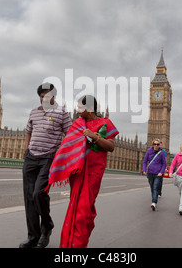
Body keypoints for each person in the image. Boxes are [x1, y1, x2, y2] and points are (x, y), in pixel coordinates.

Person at [47, 95, 119, 248]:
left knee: (85, 209)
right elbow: (67, 146)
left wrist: (95, 137)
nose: (77, 110)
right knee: (76, 207)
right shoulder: (77, 124)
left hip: (94, 170)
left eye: (80, 107)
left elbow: (111, 147)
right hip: (78, 171)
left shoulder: (105, 123)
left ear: (90, 108)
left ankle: (78, 245)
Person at [19, 83, 72, 248]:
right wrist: (27, 149)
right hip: (31, 157)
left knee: (38, 193)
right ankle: (33, 236)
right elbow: (28, 130)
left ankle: (47, 226)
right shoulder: (34, 112)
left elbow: (70, 134)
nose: (44, 99)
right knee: (29, 198)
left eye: (47, 96)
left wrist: (60, 155)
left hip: (48, 158)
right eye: (42, 96)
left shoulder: (62, 112)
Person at [142, 138, 167, 211]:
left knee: (155, 187)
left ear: (159, 145)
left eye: (157, 144)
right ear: (152, 144)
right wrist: (144, 170)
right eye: (155, 144)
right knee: (152, 188)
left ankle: (154, 202)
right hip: (150, 173)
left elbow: (164, 163)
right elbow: (145, 161)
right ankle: (154, 199)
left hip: (158, 174)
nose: (156, 145)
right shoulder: (149, 151)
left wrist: (161, 172)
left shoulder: (161, 153)